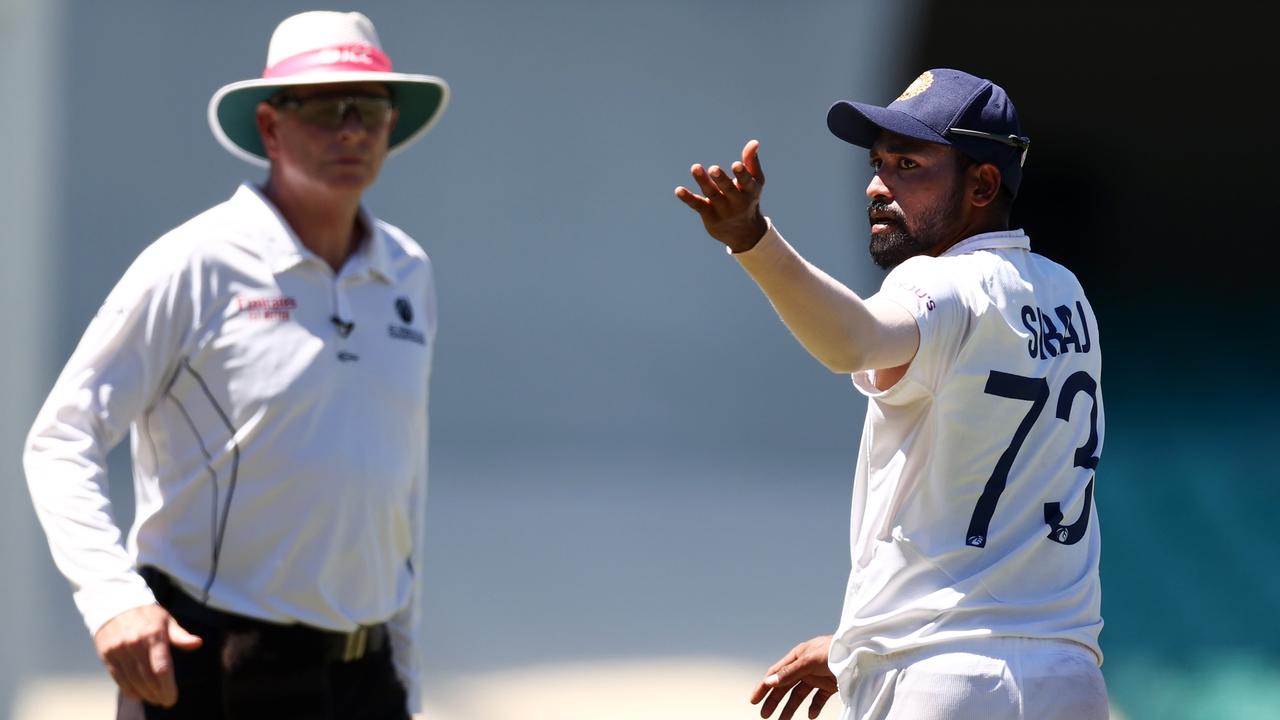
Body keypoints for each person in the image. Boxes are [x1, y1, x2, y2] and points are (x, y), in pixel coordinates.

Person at [24, 10, 449, 719]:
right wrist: (112, 600)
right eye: (324, 107)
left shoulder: (408, 272)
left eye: (370, 108)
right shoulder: (195, 263)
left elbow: (399, 486)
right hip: (214, 677)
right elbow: (61, 437)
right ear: (270, 125)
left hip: (363, 681)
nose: (351, 129)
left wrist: (402, 667)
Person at [675, 68, 1108, 719]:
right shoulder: (1067, 294)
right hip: (1069, 679)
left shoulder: (939, 285)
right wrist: (860, 648)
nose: (878, 186)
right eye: (878, 164)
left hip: (945, 681)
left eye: (909, 164)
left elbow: (853, 340)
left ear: (983, 183)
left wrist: (753, 240)